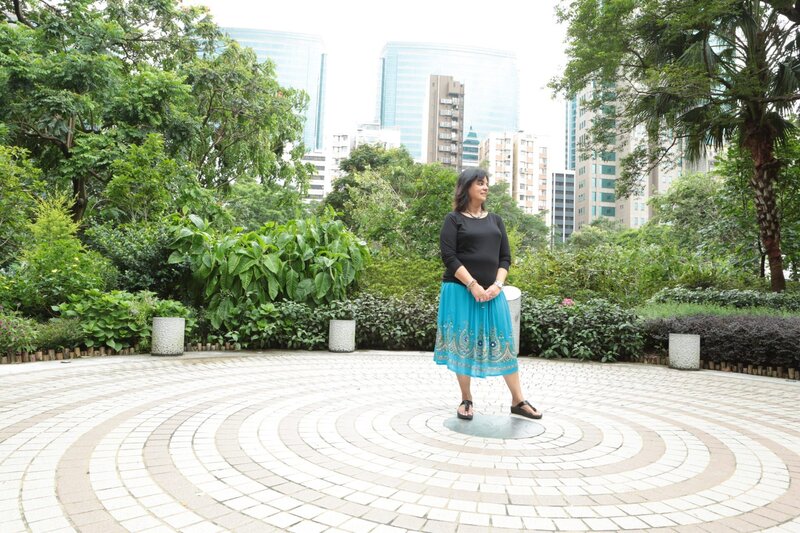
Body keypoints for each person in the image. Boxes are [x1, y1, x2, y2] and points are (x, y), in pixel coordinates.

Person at [434, 167, 542, 421]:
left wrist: (497, 286)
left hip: (493, 293)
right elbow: (448, 256)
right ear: (467, 187)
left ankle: (518, 401)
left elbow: (505, 258)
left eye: (486, 183)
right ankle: (466, 400)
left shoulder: (495, 220)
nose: (485, 187)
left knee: (504, 341)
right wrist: (473, 285)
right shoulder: (454, 219)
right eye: (480, 183)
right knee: (464, 344)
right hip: (460, 290)